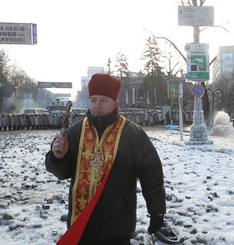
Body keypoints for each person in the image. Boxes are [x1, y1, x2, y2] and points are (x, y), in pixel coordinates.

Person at [45, 74, 166, 244]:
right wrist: (58, 157)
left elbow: (151, 174)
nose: (97, 105)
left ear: (116, 104)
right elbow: (61, 173)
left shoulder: (132, 133)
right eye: (93, 100)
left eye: (103, 100)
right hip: (80, 222)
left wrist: (157, 211)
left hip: (118, 226)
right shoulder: (75, 132)